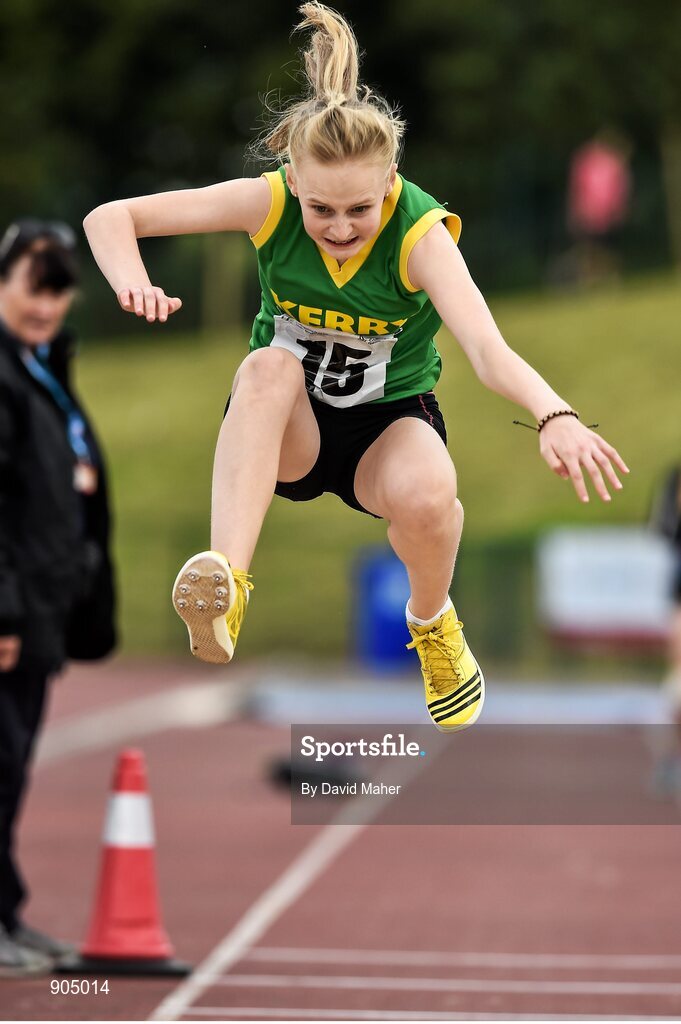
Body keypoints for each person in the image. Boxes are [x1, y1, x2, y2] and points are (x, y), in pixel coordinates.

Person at [83, 3, 628, 735]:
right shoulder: (269, 203)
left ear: (392, 182)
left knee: (433, 496)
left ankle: (433, 624)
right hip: (289, 426)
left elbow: (487, 349)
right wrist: (129, 280)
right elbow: (110, 218)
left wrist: (554, 413)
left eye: (359, 210)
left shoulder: (421, 236)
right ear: (293, 183)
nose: (339, 230)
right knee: (266, 370)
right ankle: (225, 581)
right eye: (321, 210)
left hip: (386, 424)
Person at [0, 220, 116, 976]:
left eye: (58, 292)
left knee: (10, 767)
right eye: (31, 290)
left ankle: (5, 914)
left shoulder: (42, 365)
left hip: (43, 604)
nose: (45, 307)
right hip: (11, 610)